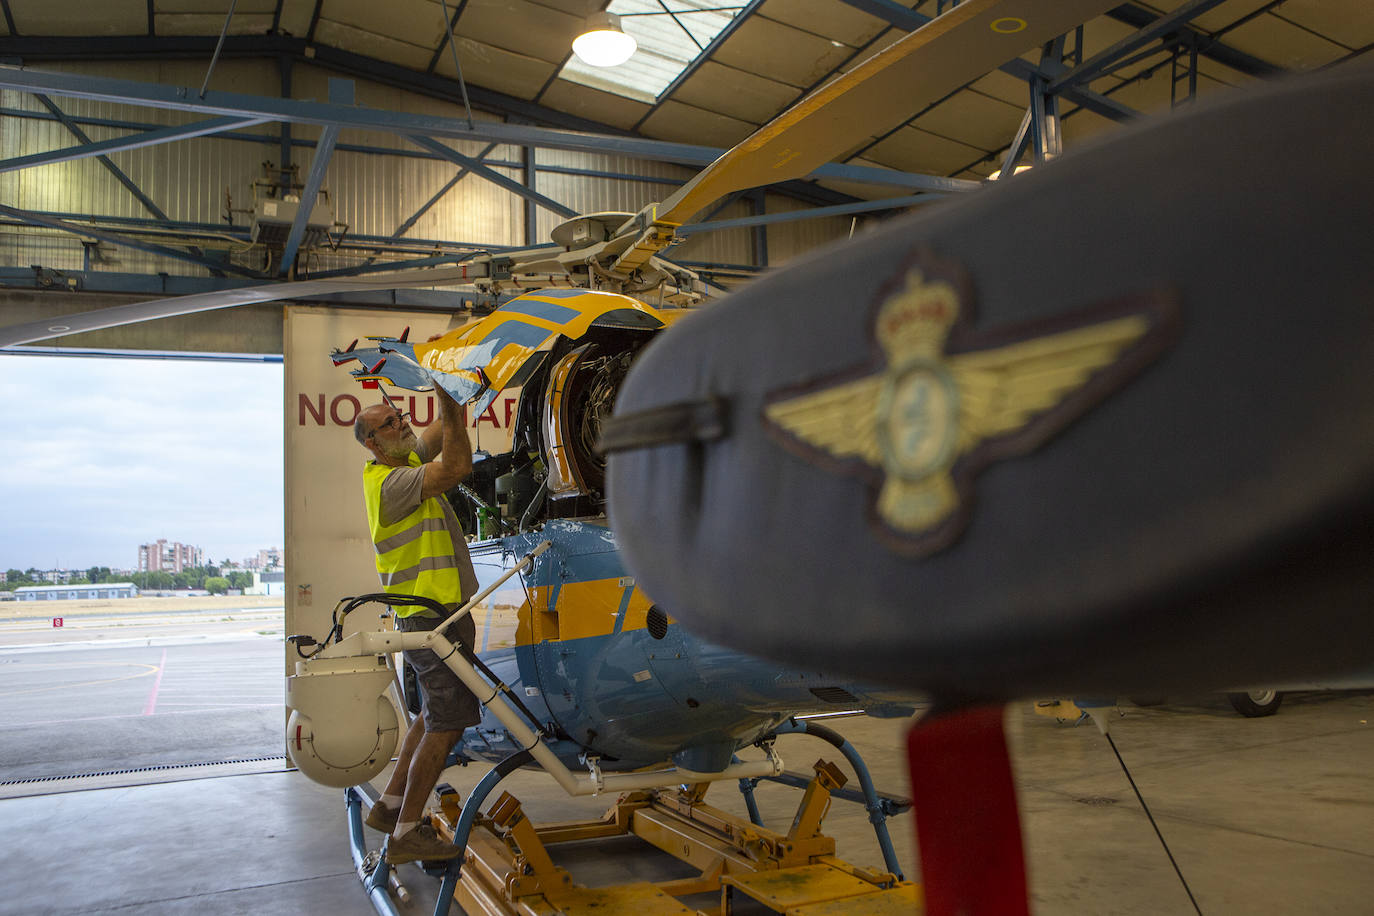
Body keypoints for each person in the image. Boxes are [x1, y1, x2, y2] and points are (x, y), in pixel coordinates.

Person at [353, 385, 480, 864]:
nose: (402, 423)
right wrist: (450, 401)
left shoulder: (398, 461)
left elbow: (439, 431)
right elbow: (456, 466)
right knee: (448, 723)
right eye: (389, 423)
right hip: (434, 616)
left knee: (431, 713)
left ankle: (388, 807)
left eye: (399, 415)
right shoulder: (393, 484)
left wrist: (461, 388)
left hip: (432, 612)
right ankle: (407, 832)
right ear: (372, 443)